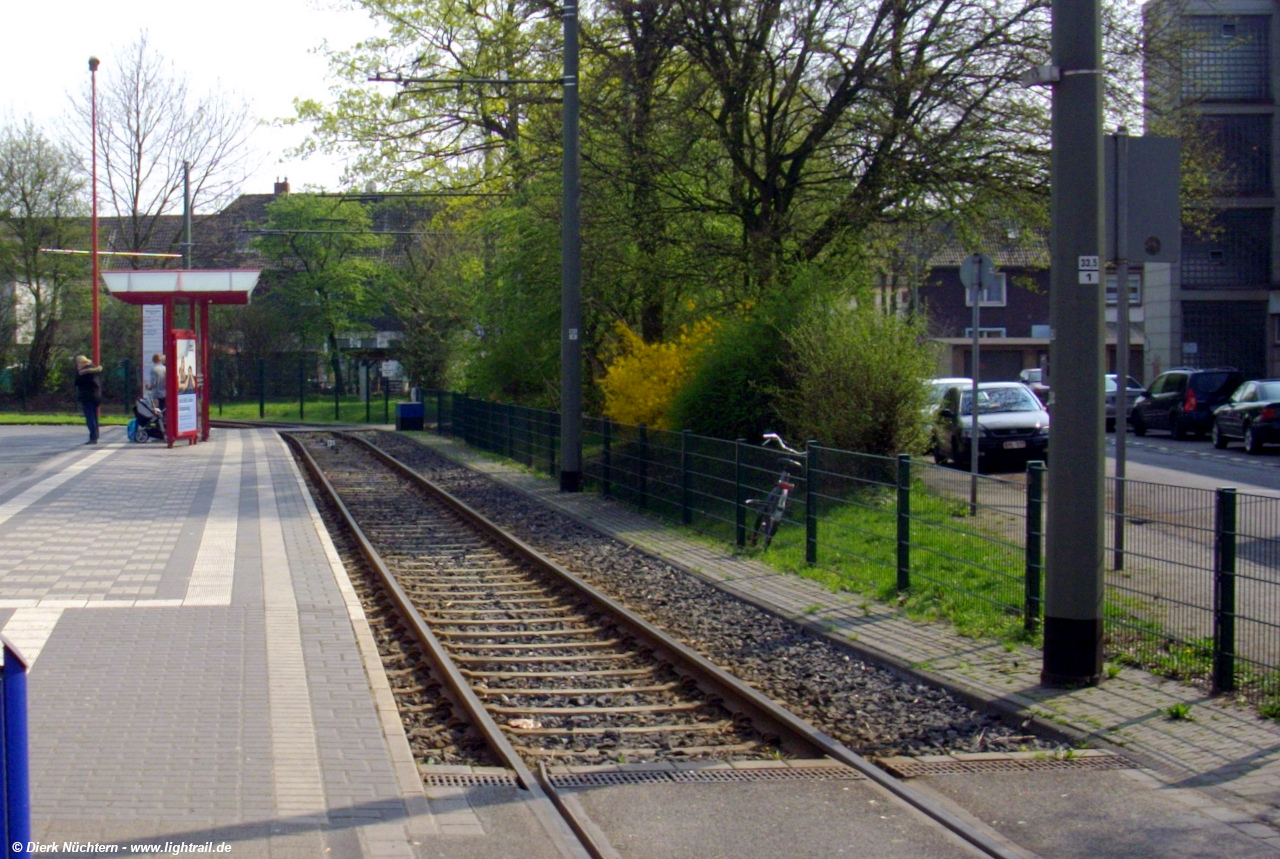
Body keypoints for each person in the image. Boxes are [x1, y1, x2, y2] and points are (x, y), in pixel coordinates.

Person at [74, 355, 103, 445]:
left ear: (80, 363)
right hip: (96, 396)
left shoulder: (83, 372)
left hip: (88, 397)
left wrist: (79, 372)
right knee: (94, 417)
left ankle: (93, 437)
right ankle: (95, 436)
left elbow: (77, 382)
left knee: (89, 417)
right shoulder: (94, 369)